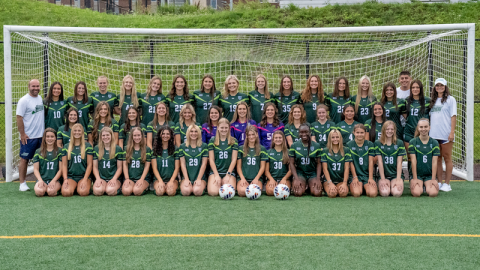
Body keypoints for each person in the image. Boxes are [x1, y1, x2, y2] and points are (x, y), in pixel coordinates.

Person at [16, 79, 44, 191]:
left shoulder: (40, 98)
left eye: (37, 86)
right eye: (33, 86)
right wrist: (22, 133)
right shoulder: (24, 100)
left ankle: (41, 180)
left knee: (41, 159)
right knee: (24, 159)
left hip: (40, 136)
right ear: (28, 86)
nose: (36, 88)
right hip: (28, 137)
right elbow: (19, 117)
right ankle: (22, 183)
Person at [429, 78, 456, 192]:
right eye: (437, 85)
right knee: (437, 159)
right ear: (435, 87)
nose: (439, 87)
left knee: (447, 158)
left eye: (441, 85)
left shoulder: (451, 100)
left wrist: (452, 132)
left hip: (445, 134)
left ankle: (447, 183)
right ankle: (439, 182)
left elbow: (453, 116)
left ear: (445, 87)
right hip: (434, 134)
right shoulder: (432, 101)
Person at [408, 119, 440, 197]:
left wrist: (433, 179)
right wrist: (415, 179)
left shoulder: (435, 143)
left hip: (429, 175)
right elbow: (413, 161)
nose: (423, 129)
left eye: (426, 127)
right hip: (417, 175)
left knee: (433, 193)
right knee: (416, 193)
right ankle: (421, 185)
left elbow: (434, 162)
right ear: (418, 128)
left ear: (429, 127)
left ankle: (426, 185)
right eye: (421, 127)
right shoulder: (413, 142)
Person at [207, 118, 238, 196]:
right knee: (213, 192)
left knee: (228, 192)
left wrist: (228, 175)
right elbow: (211, 160)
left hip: (229, 172)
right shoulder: (212, 141)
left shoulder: (234, 141)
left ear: (229, 128)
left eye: (226, 128)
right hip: (216, 172)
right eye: (222, 127)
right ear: (218, 128)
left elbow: (234, 160)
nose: (224, 130)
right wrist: (216, 175)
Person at [288, 124, 322, 197]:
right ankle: (304, 185)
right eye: (301, 132)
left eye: (306, 132)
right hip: (300, 173)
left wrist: (318, 179)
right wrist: (296, 179)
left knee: (317, 193)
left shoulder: (317, 146)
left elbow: (319, 163)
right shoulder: (294, 145)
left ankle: (309, 186)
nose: (304, 134)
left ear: (310, 132)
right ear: (299, 133)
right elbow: (292, 163)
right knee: (298, 193)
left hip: (312, 173)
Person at [61, 124, 94, 197]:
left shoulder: (88, 146)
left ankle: (83, 186)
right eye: (75, 131)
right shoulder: (66, 146)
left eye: (79, 131)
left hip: (83, 176)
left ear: (82, 133)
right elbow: (64, 165)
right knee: (66, 193)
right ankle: (74, 187)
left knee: (83, 192)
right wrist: (65, 179)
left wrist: (85, 179)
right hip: (71, 177)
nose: (77, 132)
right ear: (72, 132)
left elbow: (90, 165)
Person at [375, 120, 406, 197]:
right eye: (387, 129)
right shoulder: (378, 143)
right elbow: (380, 162)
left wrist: (398, 179)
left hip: (396, 175)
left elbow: (399, 162)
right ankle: (385, 183)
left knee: (396, 193)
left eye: (392, 129)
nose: (390, 131)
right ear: (383, 130)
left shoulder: (399, 143)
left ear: (394, 130)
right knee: (385, 193)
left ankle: (396, 182)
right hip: (384, 174)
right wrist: (382, 179)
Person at [236, 125, 267, 197]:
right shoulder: (241, 148)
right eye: (249, 135)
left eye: (253, 134)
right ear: (246, 136)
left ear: (256, 134)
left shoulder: (262, 149)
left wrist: (256, 179)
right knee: (242, 192)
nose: (251, 137)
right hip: (244, 177)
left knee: (255, 193)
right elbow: (238, 166)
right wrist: (242, 179)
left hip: (257, 178)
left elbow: (263, 167)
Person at [92, 127, 124, 196]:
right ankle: (104, 186)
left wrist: (114, 179)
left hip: (114, 177)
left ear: (111, 136)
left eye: (107, 135)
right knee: (97, 191)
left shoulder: (118, 149)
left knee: (110, 191)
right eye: (103, 135)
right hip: (102, 178)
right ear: (101, 137)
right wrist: (98, 179)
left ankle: (118, 187)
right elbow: (95, 167)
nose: (105, 137)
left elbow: (120, 168)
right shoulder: (96, 148)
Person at [346, 124, 377, 197]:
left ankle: (364, 186)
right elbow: (351, 163)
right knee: (356, 193)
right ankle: (360, 186)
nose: (359, 135)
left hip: (366, 175)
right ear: (354, 133)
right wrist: (355, 177)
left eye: (362, 132)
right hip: (355, 175)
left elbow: (371, 161)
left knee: (372, 194)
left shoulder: (370, 144)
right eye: (357, 132)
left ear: (365, 133)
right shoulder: (349, 145)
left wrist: (370, 178)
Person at [178, 125, 209, 196]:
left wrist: (198, 179)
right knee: (186, 192)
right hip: (187, 176)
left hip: (200, 177)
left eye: (196, 132)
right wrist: (186, 179)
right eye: (191, 131)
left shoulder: (204, 146)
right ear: (188, 133)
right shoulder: (182, 146)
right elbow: (183, 164)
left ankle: (202, 186)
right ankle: (185, 184)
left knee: (197, 191)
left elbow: (204, 164)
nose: (193, 133)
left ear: (199, 133)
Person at [321, 129, 352, 198]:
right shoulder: (325, 151)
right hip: (329, 180)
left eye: (337, 137)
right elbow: (325, 169)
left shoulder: (346, 150)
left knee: (343, 194)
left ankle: (338, 187)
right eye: (333, 137)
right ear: (329, 139)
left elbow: (347, 168)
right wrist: (330, 183)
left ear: (340, 138)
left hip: (340, 179)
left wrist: (344, 183)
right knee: (332, 194)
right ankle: (328, 187)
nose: (335, 139)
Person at [122, 127, 152, 196]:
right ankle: (132, 185)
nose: (137, 137)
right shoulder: (126, 148)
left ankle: (145, 187)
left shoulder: (147, 149)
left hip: (143, 178)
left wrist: (141, 179)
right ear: (131, 137)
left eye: (138, 135)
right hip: (131, 178)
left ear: (142, 136)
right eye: (135, 135)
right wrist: (127, 179)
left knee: (137, 191)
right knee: (126, 192)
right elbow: (125, 165)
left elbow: (147, 166)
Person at [33, 128, 63, 197]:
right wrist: (40, 180)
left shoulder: (60, 151)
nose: (50, 139)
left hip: (55, 180)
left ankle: (55, 188)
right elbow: (36, 169)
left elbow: (61, 169)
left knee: (51, 192)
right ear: (44, 138)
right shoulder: (38, 151)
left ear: (55, 138)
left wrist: (53, 181)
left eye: (52, 136)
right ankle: (44, 188)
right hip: (42, 179)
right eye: (48, 136)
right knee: (39, 192)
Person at [152, 126, 180, 196]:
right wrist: (160, 181)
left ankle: (174, 186)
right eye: (163, 134)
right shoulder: (154, 149)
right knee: (160, 192)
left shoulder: (175, 149)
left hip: (172, 179)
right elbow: (154, 168)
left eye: (167, 134)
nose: (165, 136)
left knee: (170, 192)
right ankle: (156, 187)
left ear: (171, 136)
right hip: (159, 179)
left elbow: (177, 168)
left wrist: (171, 181)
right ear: (160, 135)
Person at [404, 80, 431, 152]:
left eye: (417, 87)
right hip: (409, 131)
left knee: (421, 154)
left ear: (421, 89)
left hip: (422, 131)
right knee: (410, 155)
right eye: (413, 87)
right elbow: (405, 115)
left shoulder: (428, 101)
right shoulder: (407, 100)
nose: (415, 89)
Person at [265, 131, 292, 196]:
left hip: (284, 178)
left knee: (283, 192)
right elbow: (266, 171)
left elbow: (291, 170)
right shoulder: (268, 152)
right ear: (273, 140)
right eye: (276, 138)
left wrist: (284, 179)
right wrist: (271, 179)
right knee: (270, 192)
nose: (278, 139)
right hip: (273, 178)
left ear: (283, 139)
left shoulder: (288, 152)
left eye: (280, 138)